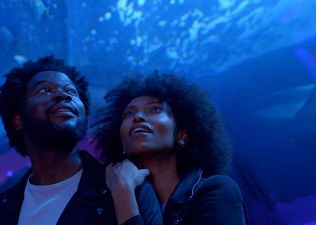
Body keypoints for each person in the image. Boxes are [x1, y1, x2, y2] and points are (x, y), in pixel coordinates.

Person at [0, 56, 160, 225]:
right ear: (18, 120)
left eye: (71, 91)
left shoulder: (129, 189)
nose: (63, 95)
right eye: (44, 90)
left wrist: (123, 195)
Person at [93, 72, 249, 225]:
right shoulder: (103, 204)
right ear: (121, 142)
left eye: (155, 109)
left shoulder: (216, 191)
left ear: (181, 135)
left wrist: (124, 195)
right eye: (129, 113)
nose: (137, 117)